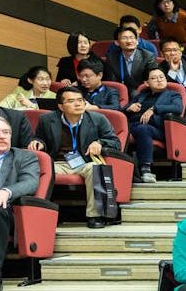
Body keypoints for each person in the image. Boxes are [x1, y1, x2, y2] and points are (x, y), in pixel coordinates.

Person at [30, 86, 120, 228]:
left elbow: (115, 142)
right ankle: (39, 213)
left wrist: (100, 143)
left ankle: (95, 216)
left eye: (80, 100)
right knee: (36, 169)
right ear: (60, 106)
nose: (78, 104)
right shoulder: (47, 120)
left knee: (95, 168)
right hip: (58, 163)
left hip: (85, 162)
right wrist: (38, 142)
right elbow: (40, 138)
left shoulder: (98, 119)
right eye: (71, 101)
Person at [0, 113, 41, 291]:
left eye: (6, 132)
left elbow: (30, 183)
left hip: (9, 211)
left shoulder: (24, 157)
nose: (2, 136)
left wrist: (6, 192)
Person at [126, 67, 183, 183]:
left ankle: (146, 169)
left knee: (143, 129)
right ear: (147, 83)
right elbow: (124, 109)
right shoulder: (141, 95)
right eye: (154, 78)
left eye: (161, 77)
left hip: (158, 128)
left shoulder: (173, 95)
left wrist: (154, 109)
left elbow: (178, 108)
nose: (159, 80)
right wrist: (128, 108)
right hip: (134, 125)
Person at [103, 26, 158, 98]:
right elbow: (112, 82)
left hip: (143, 93)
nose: (129, 41)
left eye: (132, 38)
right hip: (120, 94)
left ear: (137, 41)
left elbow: (152, 79)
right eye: (124, 38)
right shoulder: (111, 58)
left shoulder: (148, 56)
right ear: (117, 42)